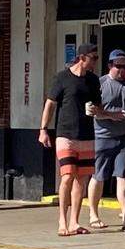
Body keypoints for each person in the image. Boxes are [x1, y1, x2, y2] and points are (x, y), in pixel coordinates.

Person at [39, 43, 106, 236]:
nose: (95, 61)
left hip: (86, 135)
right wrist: (43, 130)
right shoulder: (62, 77)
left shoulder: (93, 80)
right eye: (93, 58)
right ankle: (62, 220)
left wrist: (96, 110)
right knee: (67, 175)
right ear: (82, 57)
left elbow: (98, 106)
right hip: (65, 134)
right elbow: (50, 104)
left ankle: (74, 222)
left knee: (81, 178)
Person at [89, 49, 125, 231]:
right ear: (109, 66)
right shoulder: (100, 84)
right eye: (118, 66)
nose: (122, 70)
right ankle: (93, 214)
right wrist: (110, 115)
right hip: (103, 136)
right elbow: (91, 109)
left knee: (123, 176)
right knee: (99, 175)